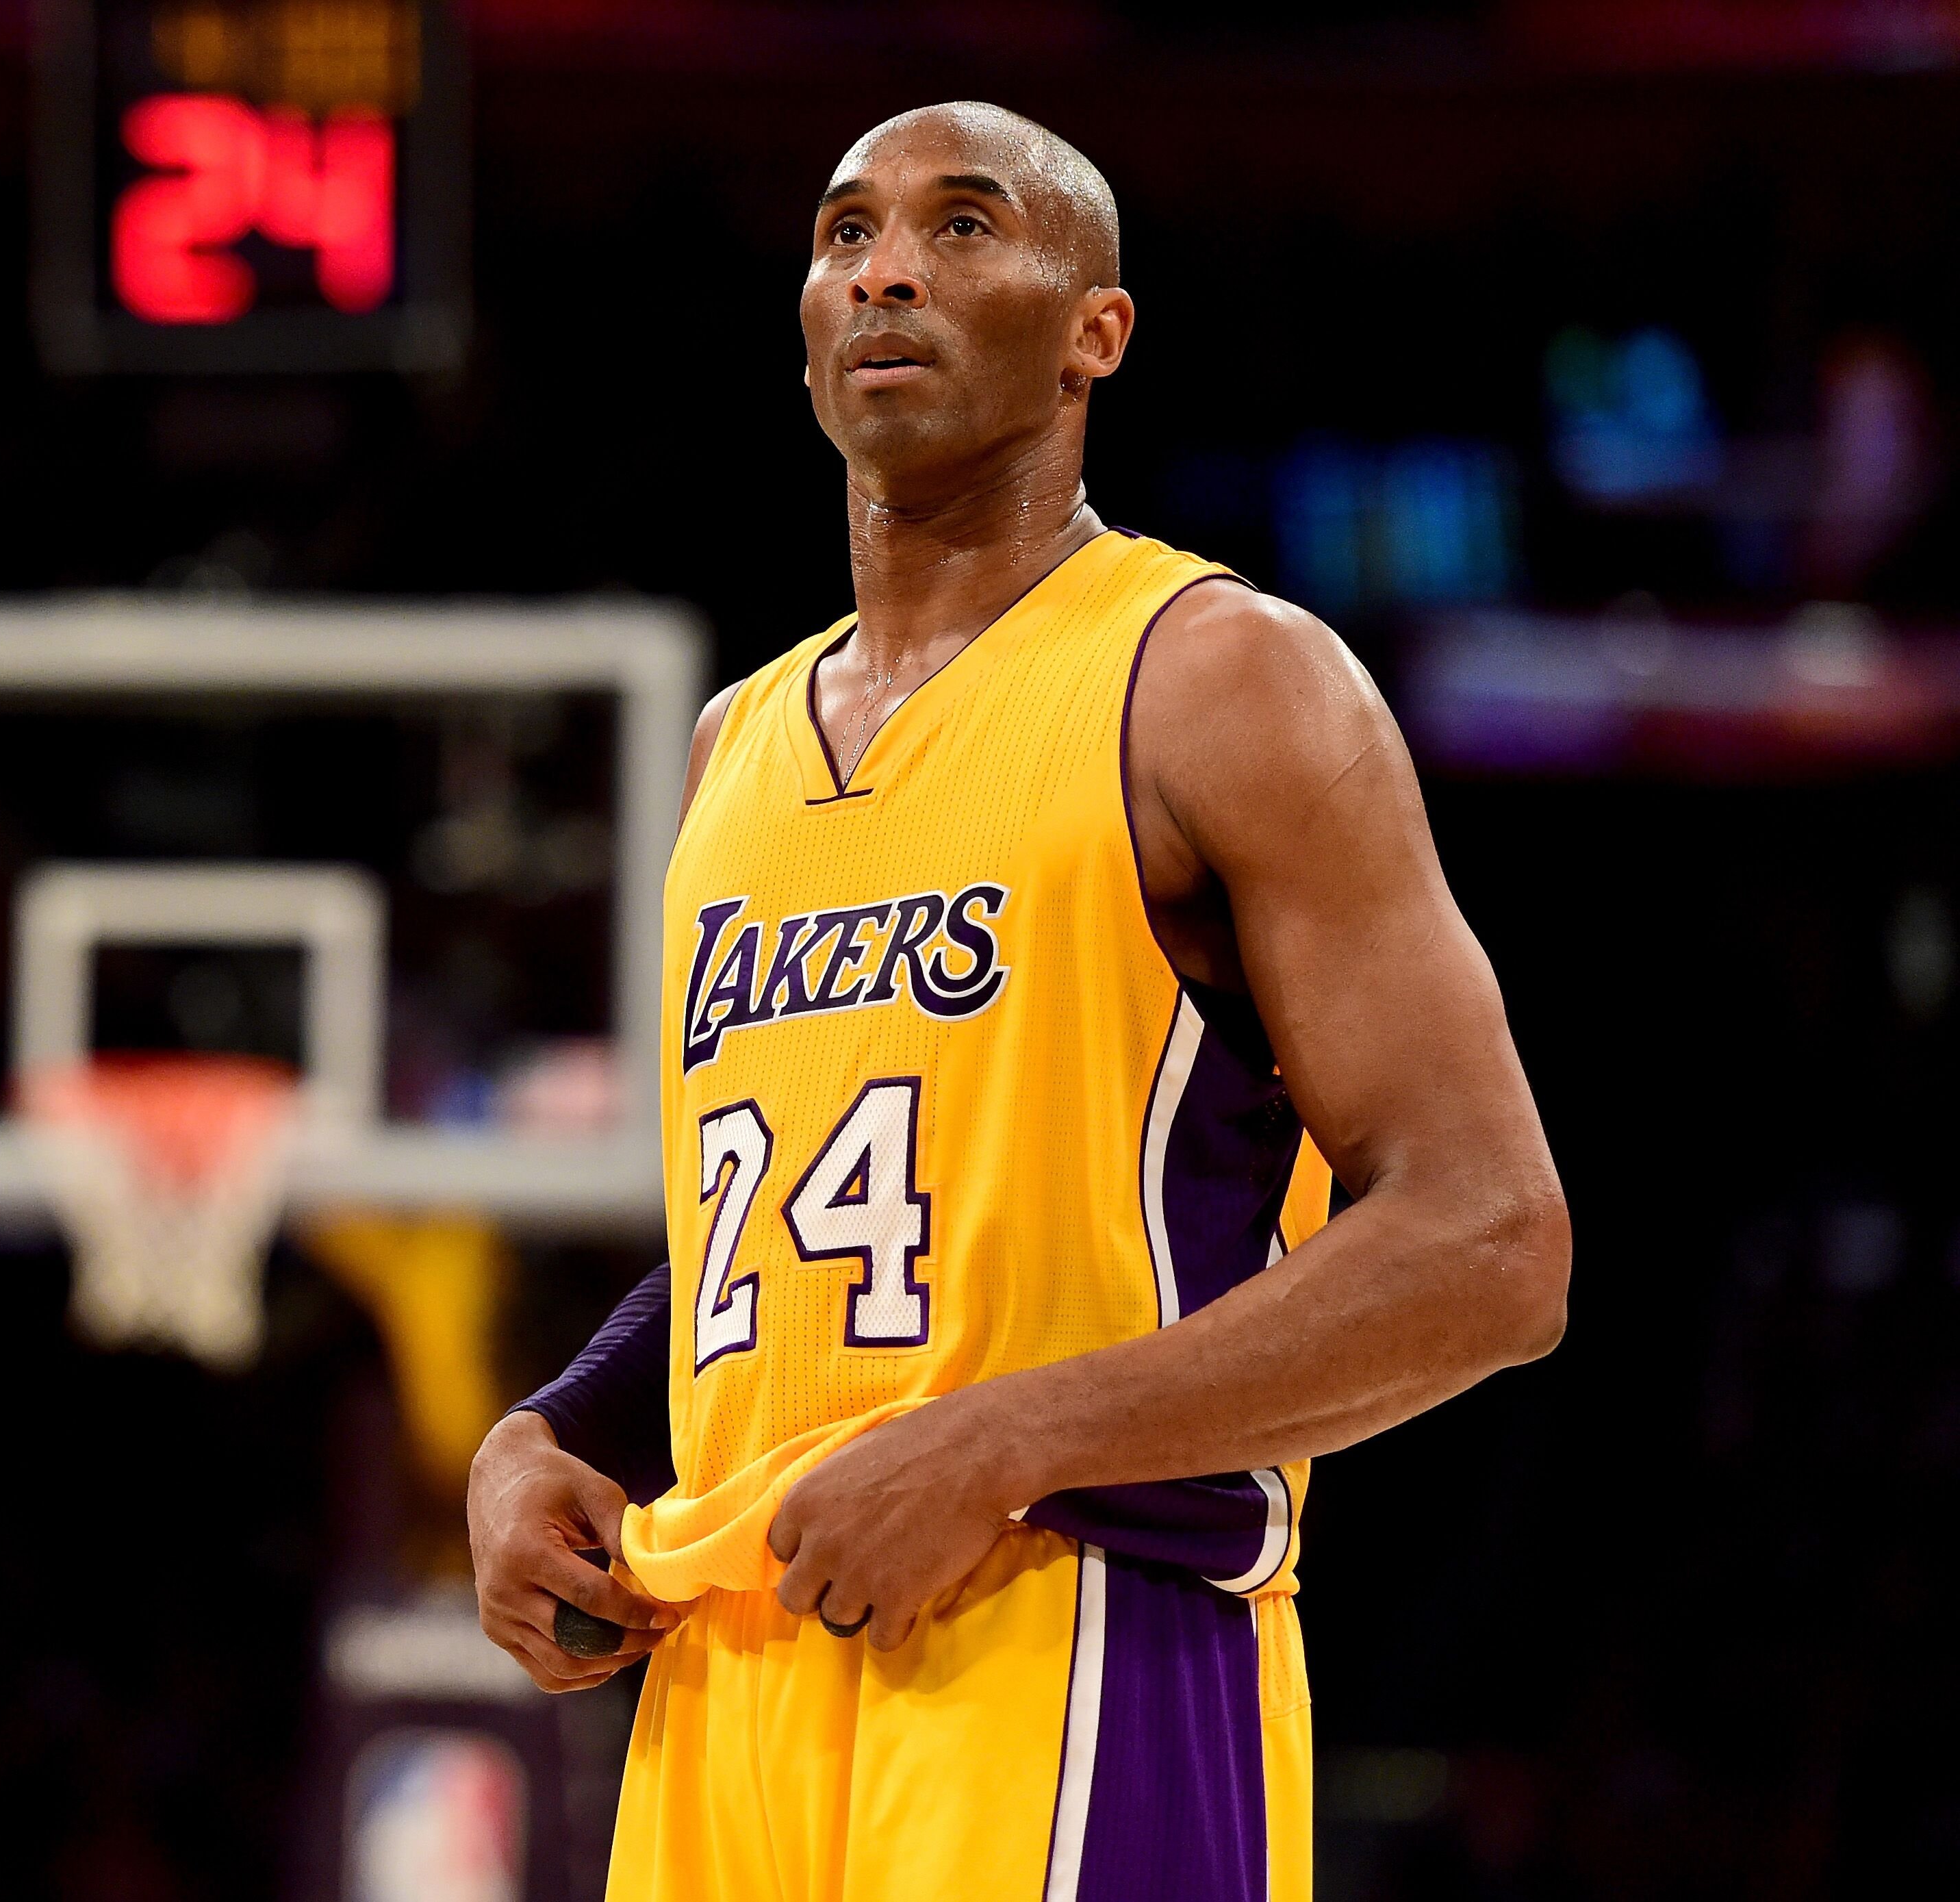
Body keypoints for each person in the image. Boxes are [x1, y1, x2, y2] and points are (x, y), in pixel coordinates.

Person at [466, 102, 1570, 1901]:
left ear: (1095, 331)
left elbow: (1493, 1242)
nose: (886, 266)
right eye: (844, 234)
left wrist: (1005, 1439)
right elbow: (793, 1229)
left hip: (1065, 1644)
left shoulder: (1221, 678)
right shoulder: (729, 748)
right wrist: (555, 1430)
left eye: (963, 226)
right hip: (722, 1671)